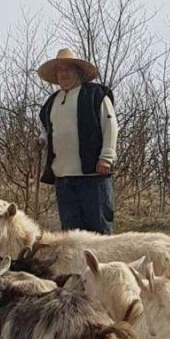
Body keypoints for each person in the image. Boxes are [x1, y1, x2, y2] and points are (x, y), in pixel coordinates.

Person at [38, 48, 118, 235]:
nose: (64, 73)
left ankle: (103, 265)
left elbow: (111, 124)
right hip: (63, 177)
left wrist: (106, 157)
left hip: (92, 176)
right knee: (71, 234)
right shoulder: (51, 102)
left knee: (98, 231)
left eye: (68, 69)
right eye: (60, 70)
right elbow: (47, 129)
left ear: (78, 71)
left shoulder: (96, 95)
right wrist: (41, 140)